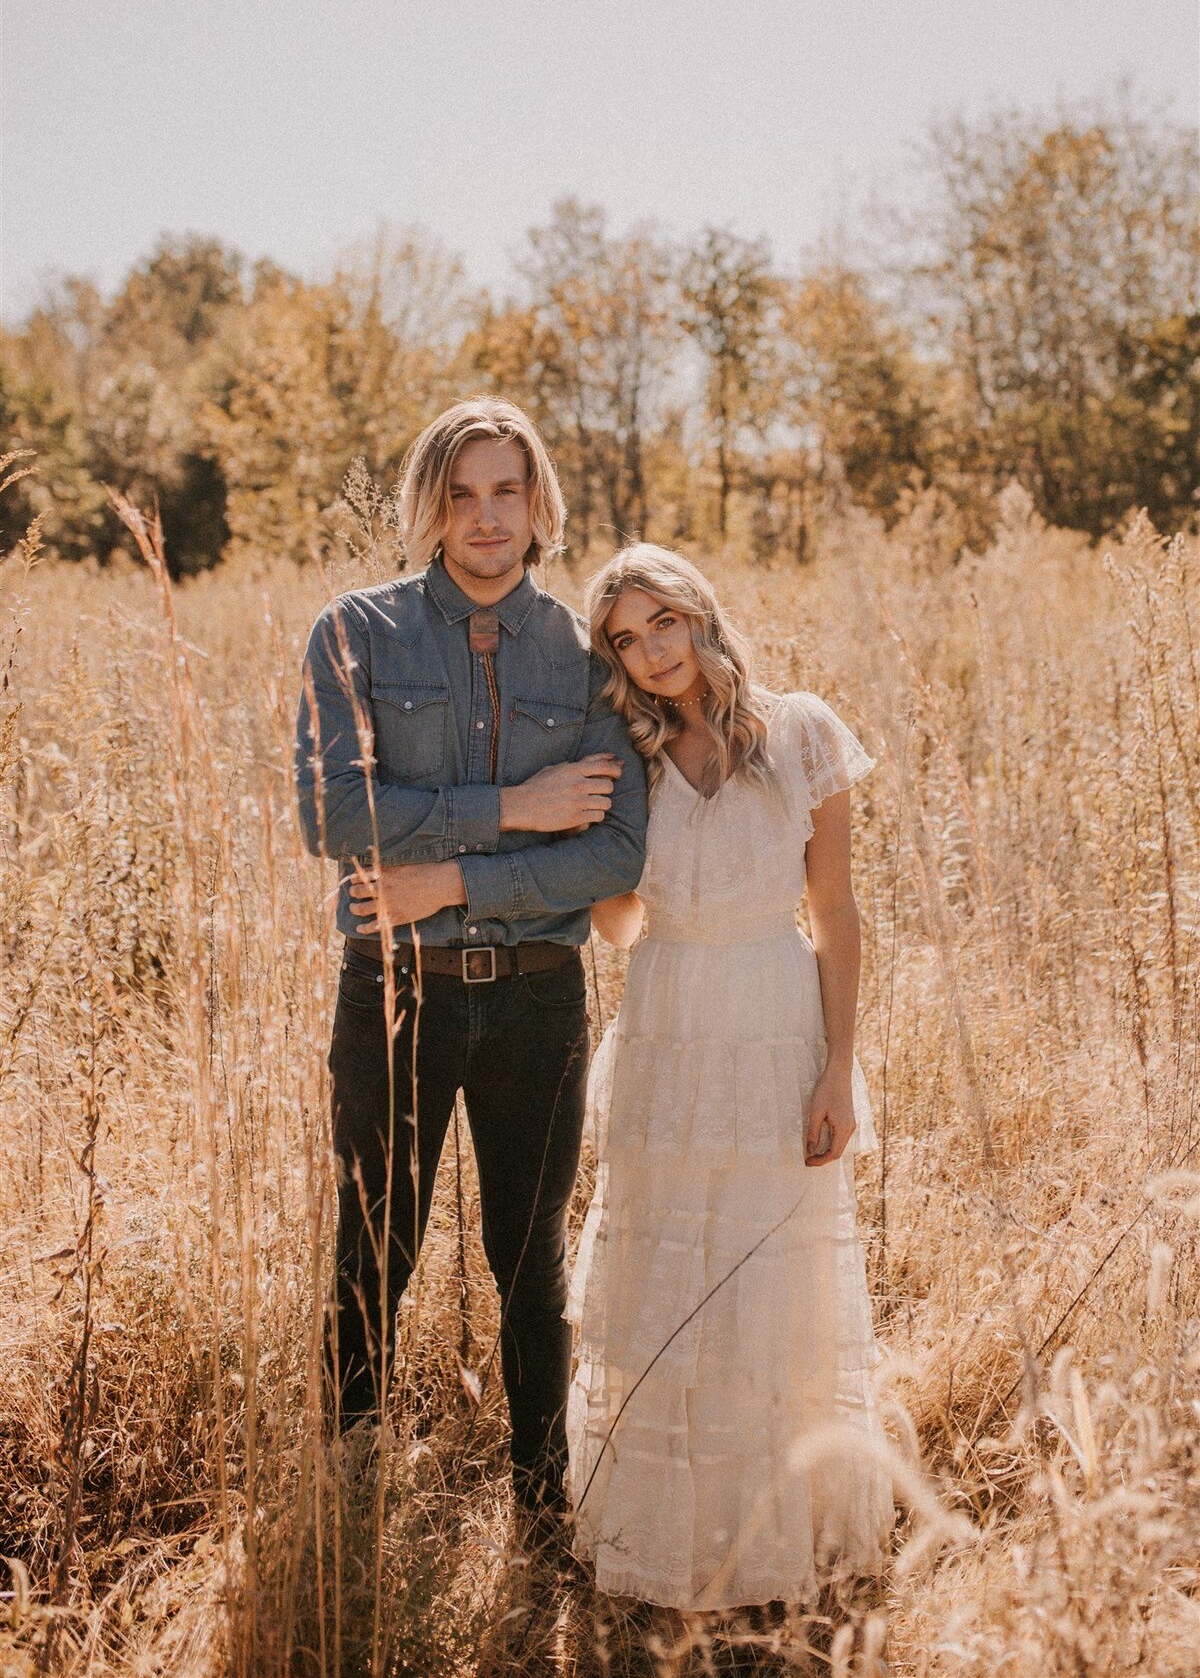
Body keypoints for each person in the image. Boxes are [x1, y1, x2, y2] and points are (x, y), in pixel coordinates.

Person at [294, 399, 647, 1532]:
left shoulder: (594, 655)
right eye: (462, 494)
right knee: (374, 1248)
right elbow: (334, 814)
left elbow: (618, 848)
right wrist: (516, 809)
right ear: (430, 507)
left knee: (529, 1259)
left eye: (506, 491)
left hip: (542, 998)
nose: (486, 518)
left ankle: (544, 1509)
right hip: (393, 993)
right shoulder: (355, 631)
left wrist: (449, 878)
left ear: (539, 500)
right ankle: (344, 1497)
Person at [566, 544, 894, 1610]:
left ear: (700, 613)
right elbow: (618, 927)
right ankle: (661, 1537)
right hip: (667, 1017)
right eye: (626, 638)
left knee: (770, 1268)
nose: (652, 651)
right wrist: (591, 838)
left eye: (663, 621)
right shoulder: (626, 749)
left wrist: (840, 1066)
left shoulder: (798, 731)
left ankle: (772, 1536)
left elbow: (836, 914)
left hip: (771, 1015)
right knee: (665, 1275)